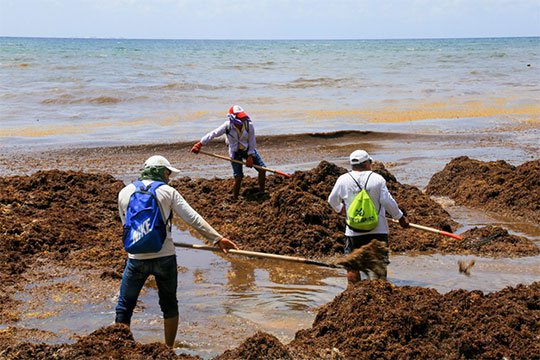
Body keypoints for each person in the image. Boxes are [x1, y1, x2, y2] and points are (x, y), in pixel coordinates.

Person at [116, 155, 238, 347]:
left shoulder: (124, 192)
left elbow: (127, 227)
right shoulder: (168, 191)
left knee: (124, 307)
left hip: (136, 258)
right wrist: (217, 239)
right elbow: (192, 218)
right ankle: (168, 349)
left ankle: (120, 347)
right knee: (169, 306)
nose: (169, 177)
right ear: (162, 171)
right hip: (164, 256)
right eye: (168, 172)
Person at [328, 150, 409, 284]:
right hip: (378, 230)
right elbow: (387, 201)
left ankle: (353, 293)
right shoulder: (377, 179)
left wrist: (341, 209)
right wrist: (400, 217)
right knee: (379, 266)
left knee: (352, 266)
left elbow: (332, 200)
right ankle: (381, 291)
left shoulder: (343, 180)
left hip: (353, 231)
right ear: (366, 163)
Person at [191, 105, 266, 200]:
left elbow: (252, 141)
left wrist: (250, 156)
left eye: (243, 118)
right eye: (240, 118)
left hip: (247, 149)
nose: (242, 120)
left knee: (262, 169)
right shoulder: (227, 126)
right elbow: (213, 134)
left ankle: (262, 192)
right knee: (238, 177)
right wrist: (200, 144)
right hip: (235, 152)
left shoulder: (248, 125)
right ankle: (235, 198)